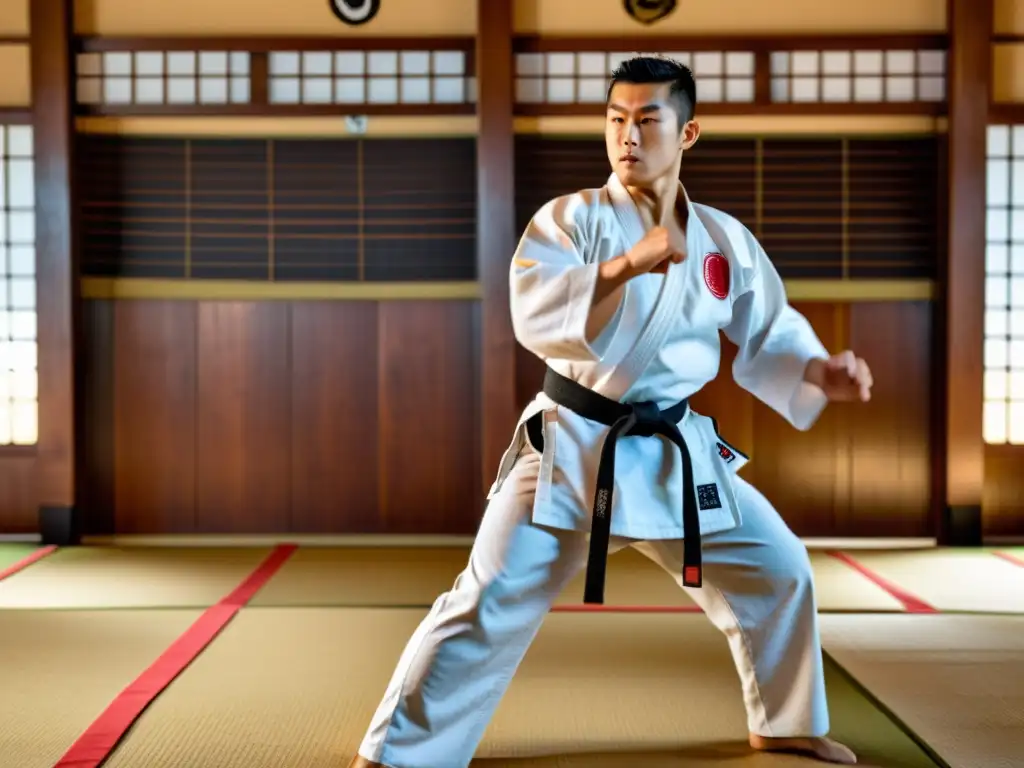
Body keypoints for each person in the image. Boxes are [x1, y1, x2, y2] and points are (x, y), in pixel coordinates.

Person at [348, 56, 872, 768]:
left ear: (688, 133)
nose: (628, 136)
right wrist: (627, 265)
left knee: (780, 569)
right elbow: (535, 314)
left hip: (670, 449)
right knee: (487, 598)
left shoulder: (721, 239)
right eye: (616, 119)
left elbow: (769, 330)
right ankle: (398, 753)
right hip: (571, 446)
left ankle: (787, 723)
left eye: (648, 120)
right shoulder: (571, 220)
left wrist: (819, 371)